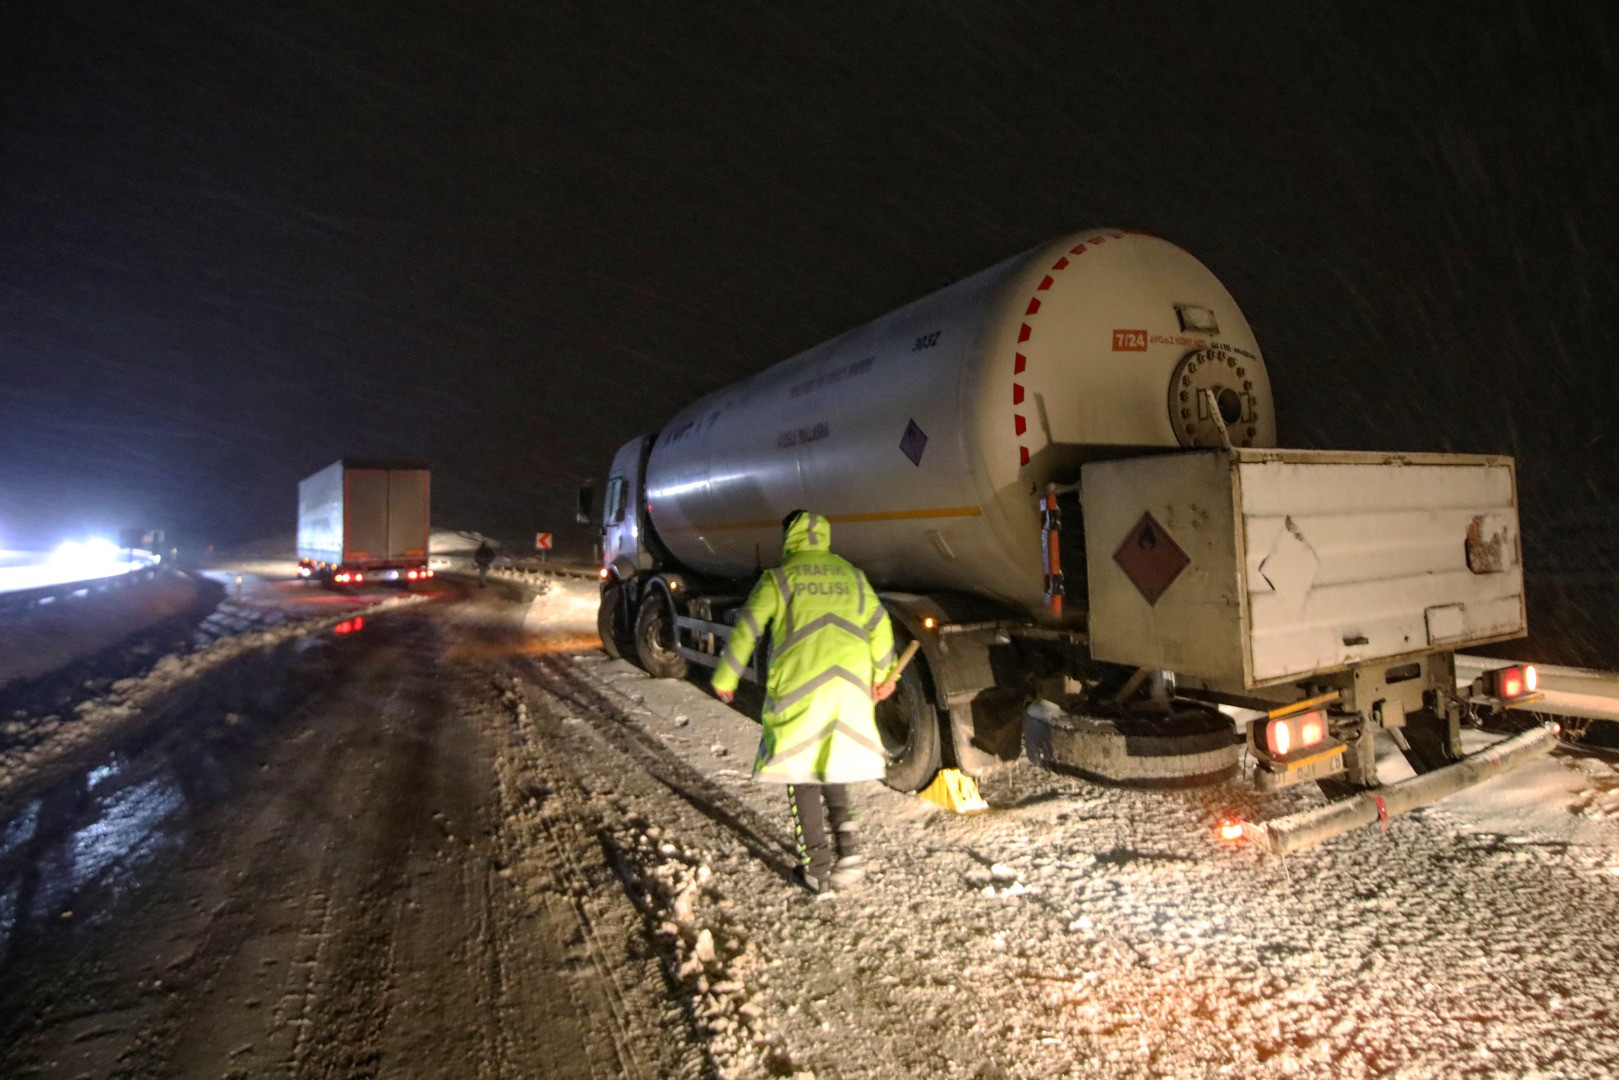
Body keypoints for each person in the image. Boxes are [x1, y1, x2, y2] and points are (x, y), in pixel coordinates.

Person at [711, 510, 899, 894]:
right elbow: (880, 626)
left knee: (802, 773)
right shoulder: (852, 575)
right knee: (834, 763)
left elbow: (748, 626)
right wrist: (886, 676)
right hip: (849, 686)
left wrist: (726, 676)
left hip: (802, 689)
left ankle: (816, 867)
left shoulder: (778, 578)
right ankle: (849, 854)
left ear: (789, 539)